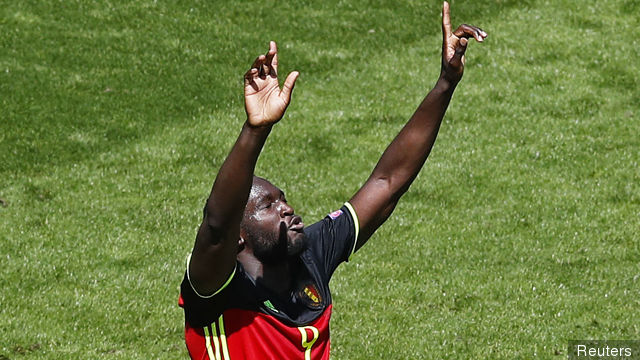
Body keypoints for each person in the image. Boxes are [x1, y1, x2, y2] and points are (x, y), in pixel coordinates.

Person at [178, 2, 486, 359]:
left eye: (282, 199)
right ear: (239, 237)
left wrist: (445, 83)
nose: (287, 209)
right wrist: (256, 130)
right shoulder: (215, 288)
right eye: (268, 205)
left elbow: (387, 182)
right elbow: (216, 226)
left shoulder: (311, 253)